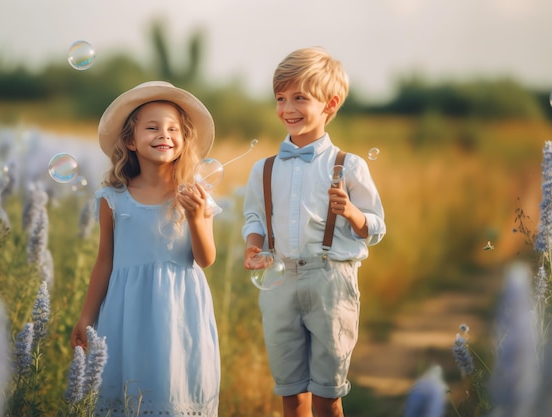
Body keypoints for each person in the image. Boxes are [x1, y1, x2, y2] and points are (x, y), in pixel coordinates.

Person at [242, 47, 386, 417]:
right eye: (280, 98)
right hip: (279, 280)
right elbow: (255, 217)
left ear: (330, 104)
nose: (287, 108)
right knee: (291, 394)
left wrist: (353, 213)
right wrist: (253, 245)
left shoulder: (348, 165)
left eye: (300, 98)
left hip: (330, 282)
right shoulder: (264, 169)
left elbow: (376, 226)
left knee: (328, 395)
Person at [71, 81, 220, 416]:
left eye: (173, 129)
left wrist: (196, 217)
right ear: (130, 140)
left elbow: (205, 259)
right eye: (152, 128)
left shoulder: (195, 195)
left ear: (184, 140)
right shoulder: (113, 198)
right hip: (126, 311)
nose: (163, 135)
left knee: (171, 385)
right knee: (129, 391)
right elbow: (104, 261)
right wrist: (87, 316)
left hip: (179, 310)